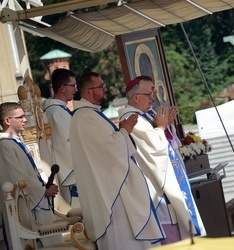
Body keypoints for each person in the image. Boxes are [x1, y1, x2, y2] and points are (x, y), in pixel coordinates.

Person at [70, 72, 163, 249]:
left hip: (113, 185)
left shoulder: (89, 115)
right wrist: (124, 132)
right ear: (89, 92)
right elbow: (108, 149)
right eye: (101, 86)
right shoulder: (85, 117)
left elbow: (106, 145)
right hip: (111, 192)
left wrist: (120, 132)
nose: (105, 89)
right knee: (123, 238)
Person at [119, 76, 205, 244]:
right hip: (156, 188)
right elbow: (155, 147)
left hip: (167, 183)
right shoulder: (132, 119)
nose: (153, 97)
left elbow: (168, 144)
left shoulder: (146, 114)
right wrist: (161, 127)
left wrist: (166, 126)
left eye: (154, 92)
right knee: (172, 236)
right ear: (136, 97)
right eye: (149, 93)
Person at [0, 102, 63, 248]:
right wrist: (43, 191)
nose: (25, 120)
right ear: (7, 121)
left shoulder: (14, 142)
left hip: (37, 199)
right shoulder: (5, 145)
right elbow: (18, 178)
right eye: (20, 117)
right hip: (31, 206)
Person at [42, 68, 79, 207]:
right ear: (63, 88)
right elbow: (64, 145)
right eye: (73, 85)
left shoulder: (59, 109)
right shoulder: (56, 112)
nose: (75, 89)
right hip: (71, 173)